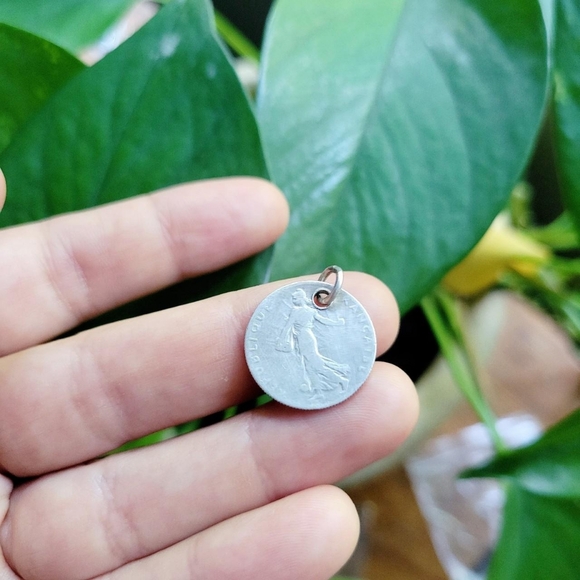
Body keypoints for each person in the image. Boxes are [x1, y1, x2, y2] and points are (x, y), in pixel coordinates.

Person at [0, 169, 418, 580]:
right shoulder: (297, 315)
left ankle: (324, 375)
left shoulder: (302, 315)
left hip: (305, 344)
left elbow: (305, 330)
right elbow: (295, 333)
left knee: (320, 365)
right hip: (301, 346)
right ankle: (323, 375)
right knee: (316, 364)